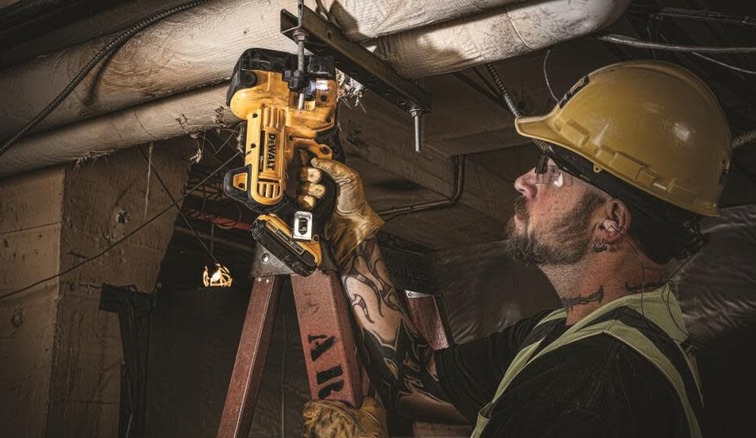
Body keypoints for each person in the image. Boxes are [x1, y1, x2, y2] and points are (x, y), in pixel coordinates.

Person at [299, 60, 732, 437]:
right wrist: (353, 233)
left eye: (552, 170)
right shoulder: (565, 333)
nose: (523, 181)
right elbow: (412, 385)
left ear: (612, 221)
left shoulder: (598, 384)